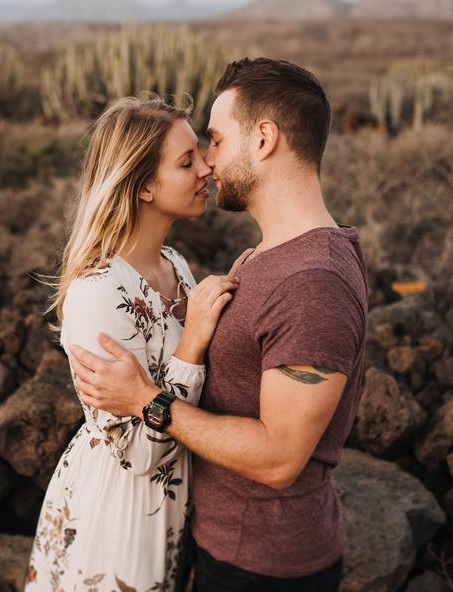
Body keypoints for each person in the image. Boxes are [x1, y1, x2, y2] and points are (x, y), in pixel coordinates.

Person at [71, 57, 369, 591]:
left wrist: (146, 402)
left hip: (261, 563)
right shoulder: (268, 257)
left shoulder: (312, 282)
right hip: (212, 540)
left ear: (264, 139)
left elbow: (279, 458)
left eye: (214, 139)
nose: (209, 161)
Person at [24, 95, 241, 591]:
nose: (208, 166)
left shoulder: (175, 266)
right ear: (143, 186)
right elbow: (139, 454)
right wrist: (194, 343)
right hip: (121, 517)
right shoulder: (97, 293)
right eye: (187, 161)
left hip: (177, 509)